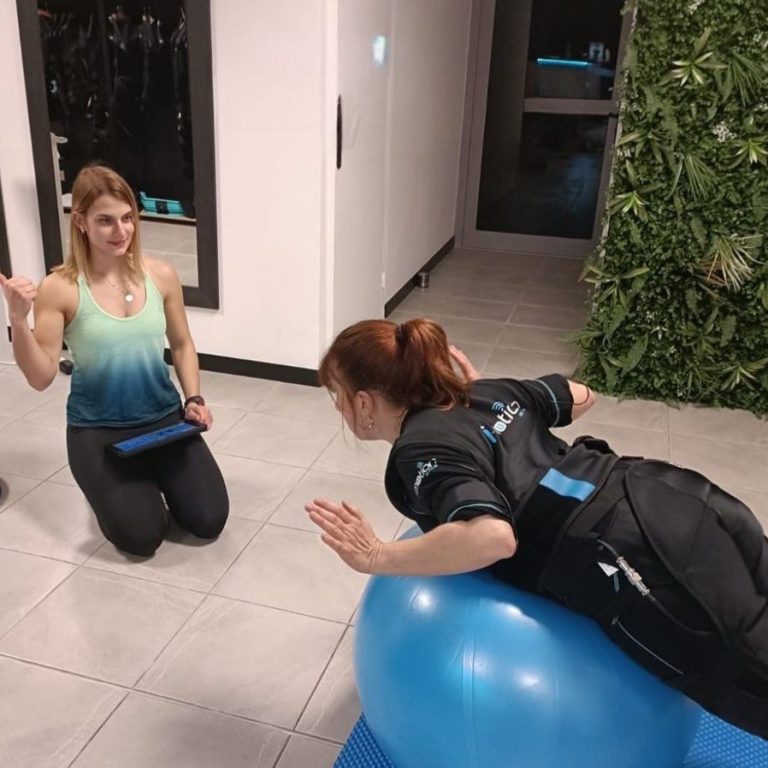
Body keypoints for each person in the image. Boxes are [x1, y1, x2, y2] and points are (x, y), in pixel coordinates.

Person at [306, 317, 768, 740]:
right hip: (675, 493)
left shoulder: (418, 448)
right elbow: (582, 395)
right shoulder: (482, 391)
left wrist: (377, 556)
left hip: (637, 553)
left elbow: (492, 537)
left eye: (337, 395)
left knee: (750, 681)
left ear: (363, 401)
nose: (339, 408)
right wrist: (501, 407)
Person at [0, 164, 228, 557]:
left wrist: (194, 399)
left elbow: (182, 344)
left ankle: (152, 471)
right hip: (99, 430)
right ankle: (126, 483)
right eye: (105, 220)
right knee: (142, 537)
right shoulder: (60, 288)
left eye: (127, 218)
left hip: (164, 419)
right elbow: (40, 377)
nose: (120, 231)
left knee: (209, 519)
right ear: (81, 221)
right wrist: (19, 321)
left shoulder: (161, 275)